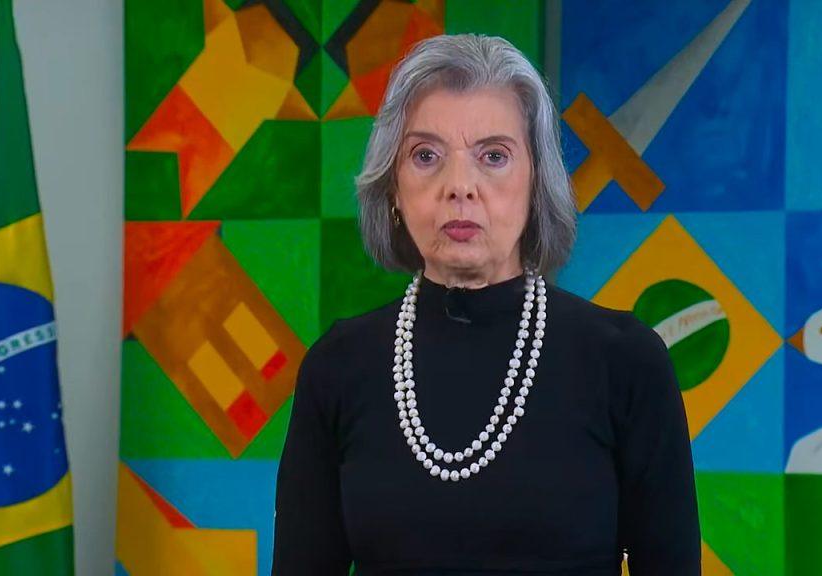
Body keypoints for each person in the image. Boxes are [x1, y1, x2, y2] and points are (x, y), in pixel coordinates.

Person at [272, 33, 700, 575]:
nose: (460, 186)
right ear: (393, 188)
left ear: (537, 182)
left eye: (493, 156)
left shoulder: (626, 361)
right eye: (426, 156)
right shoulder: (337, 367)